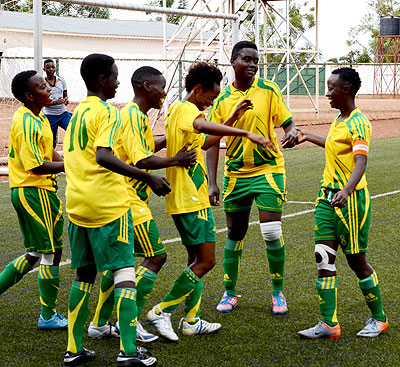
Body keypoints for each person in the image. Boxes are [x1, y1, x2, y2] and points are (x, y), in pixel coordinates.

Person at [146, 61, 272, 341]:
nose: (210, 103)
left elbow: (204, 142)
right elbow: (202, 124)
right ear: (198, 89)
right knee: (206, 261)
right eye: (211, 97)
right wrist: (246, 132)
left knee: (195, 260)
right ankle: (162, 310)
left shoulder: (181, 110)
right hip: (189, 197)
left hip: (192, 195)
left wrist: (233, 119)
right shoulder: (187, 109)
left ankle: (191, 320)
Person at [63, 54, 170, 367]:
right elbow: (103, 157)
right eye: (114, 76)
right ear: (102, 80)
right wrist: (147, 176)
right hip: (108, 206)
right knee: (124, 273)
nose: (118, 82)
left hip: (77, 206)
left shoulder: (77, 113)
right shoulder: (107, 112)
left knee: (84, 275)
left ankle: (74, 349)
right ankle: (128, 351)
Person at [87, 66, 197, 343]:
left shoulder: (136, 116)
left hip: (126, 198)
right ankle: (131, 322)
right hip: (128, 199)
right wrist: (175, 161)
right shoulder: (133, 116)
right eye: (161, 87)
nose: (164, 93)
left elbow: (146, 148)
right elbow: (141, 160)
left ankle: (100, 323)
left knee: (120, 264)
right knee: (157, 256)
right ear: (147, 87)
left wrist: (172, 140)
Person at [207, 40, 297, 314]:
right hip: (236, 172)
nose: (252, 65)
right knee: (235, 232)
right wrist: (212, 181)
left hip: (269, 169)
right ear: (233, 62)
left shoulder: (269, 90)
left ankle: (278, 292)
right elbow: (211, 141)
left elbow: (287, 121)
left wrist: (291, 131)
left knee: (271, 231)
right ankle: (230, 292)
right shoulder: (222, 100)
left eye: (256, 61)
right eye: (247, 59)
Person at [297, 67, 388, 339]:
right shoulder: (339, 119)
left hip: (351, 200)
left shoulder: (359, 122)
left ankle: (379, 318)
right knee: (323, 257)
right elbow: (334, 146)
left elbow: (360, 160)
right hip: (327, 198)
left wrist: (347, 190)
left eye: (331, 88)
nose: (327, 92)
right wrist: (307, 136)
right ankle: (329, 324)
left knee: (357, 262)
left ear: (346, 90)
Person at [0, 70, 68, 329]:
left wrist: (68, 162)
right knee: (48, 254)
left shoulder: (38, 119)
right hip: (32, 190)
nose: (50, 89)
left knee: (35, 253)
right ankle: (48, 316)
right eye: (42, 87)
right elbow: (36, 165)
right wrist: (68, 167)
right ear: (29, 96)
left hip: (44, 192)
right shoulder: (26, 122)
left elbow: (48, 151)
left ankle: (49, 314)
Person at [43, 59, 72, 148]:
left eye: (53, 67)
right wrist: (56, 102)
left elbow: (65, 95)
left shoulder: (61, 80)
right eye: (48, 68)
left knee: (73, 130)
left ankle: (72, 152)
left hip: (63, 113)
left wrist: (66, 100)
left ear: (55, 69)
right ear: (44, 69)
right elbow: (44, 103)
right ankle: (52, 160)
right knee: (51, 143)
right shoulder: (42, 83)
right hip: (50, 115)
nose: (51, 69)